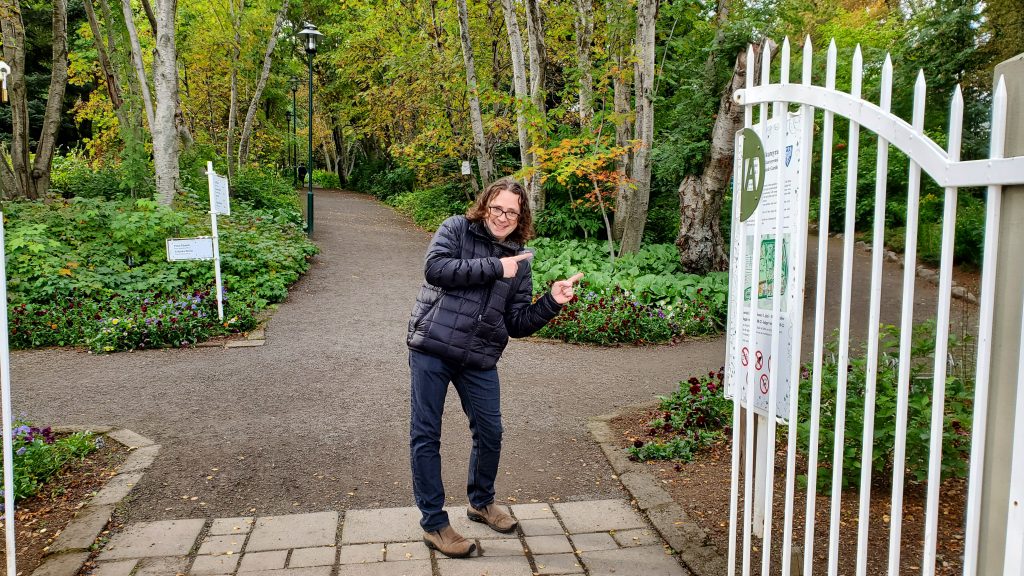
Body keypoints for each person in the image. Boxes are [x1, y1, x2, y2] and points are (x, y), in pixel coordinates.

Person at [406, 177, 582, 558]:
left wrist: (551, 302)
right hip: (433, 347)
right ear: (485, 204)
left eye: (512, 213)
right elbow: (435, 269)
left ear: (522, 218)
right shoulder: (456, 228)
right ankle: (434, 524)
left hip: (479, 357)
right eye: (498, 208)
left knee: (491, 431)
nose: (503, 217)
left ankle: (481, 502)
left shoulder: (520, 258)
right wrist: (494, 267)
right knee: (426, 434)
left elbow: (517, 324)